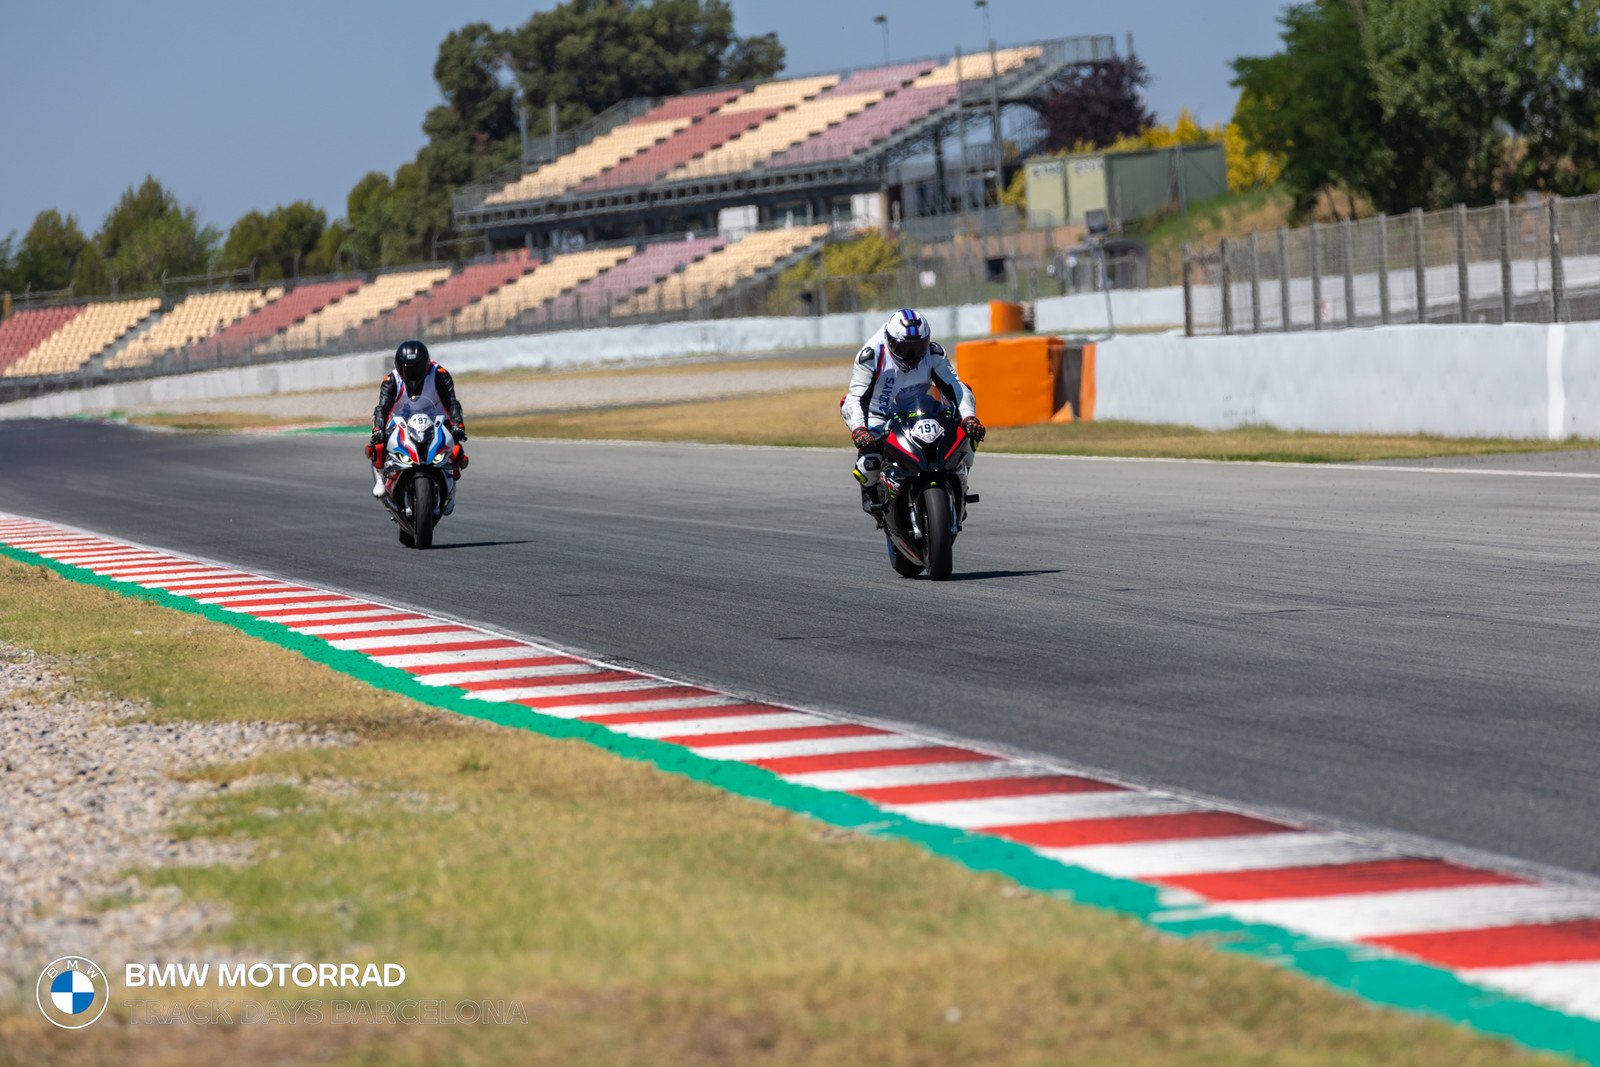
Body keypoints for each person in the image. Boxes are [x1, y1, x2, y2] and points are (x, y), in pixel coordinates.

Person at [839, 308, 984, 519]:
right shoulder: (871, 356)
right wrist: (860, 430)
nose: (912, 355)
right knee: (869, 463)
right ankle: (870, 492)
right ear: (890, 341)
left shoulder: (933, 353)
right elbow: (856, 397)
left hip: (919, 407)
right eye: (904, 348)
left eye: (918, 347)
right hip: (879, 412)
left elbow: (955, 386)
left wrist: (969, 417)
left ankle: (960, 483)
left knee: (967, 435)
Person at [367, 339, 468, 508]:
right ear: (399, 367)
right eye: (408, 370)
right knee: (377, 445)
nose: (413, 374)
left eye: (417, 369)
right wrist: (378, 429)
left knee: (456, 449)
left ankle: (451, 486)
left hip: (436, 419)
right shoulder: (391, 380)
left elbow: (451, 403)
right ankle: (380, 477)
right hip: (402, 421)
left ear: (427, 364)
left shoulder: (440, 374)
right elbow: (382, 409)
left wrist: (458, 425)